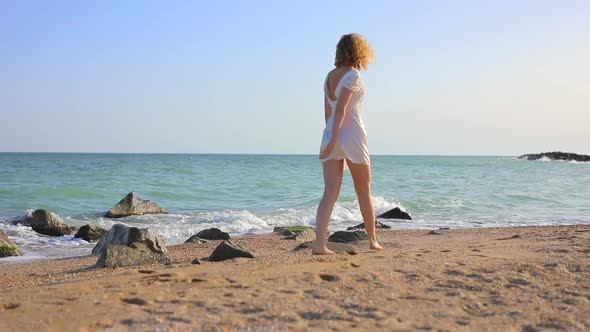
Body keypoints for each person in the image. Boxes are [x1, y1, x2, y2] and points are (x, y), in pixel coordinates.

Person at [312, 33, 383, 255]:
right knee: (364, 190)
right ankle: (372, 240)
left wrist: (329, 137)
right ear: (359, 51)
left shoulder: (329, 76)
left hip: (330, 132)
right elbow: (342, 108)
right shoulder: (353, 74)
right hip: (350, 134)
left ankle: (319, 244)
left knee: (330, 192)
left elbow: (328, 112)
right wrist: (336, 138)